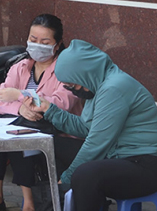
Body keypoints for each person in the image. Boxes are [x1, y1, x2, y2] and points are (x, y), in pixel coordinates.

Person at [27, 39, 157, 211]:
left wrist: (66, 179)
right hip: (117, 156)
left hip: (145, 163)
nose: (73, 90)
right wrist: (50, 110)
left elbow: (96, 143)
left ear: (85, 74)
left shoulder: (114, 88)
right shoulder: (97, 86)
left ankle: (65, 197)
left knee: (84, 174)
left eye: (73, 84)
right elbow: (86, 128)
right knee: (47, 146)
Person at [0, 14, 83, 211]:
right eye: (33, 39)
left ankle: (29, 203)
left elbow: (59, 104)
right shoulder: (20, 66)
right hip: (28, 122)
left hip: (61, 132)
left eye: (45, 42)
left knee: (22, 132)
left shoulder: (67, 71)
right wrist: (20, 108)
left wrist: (19, 95)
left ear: (57, 45)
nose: (38, 45)